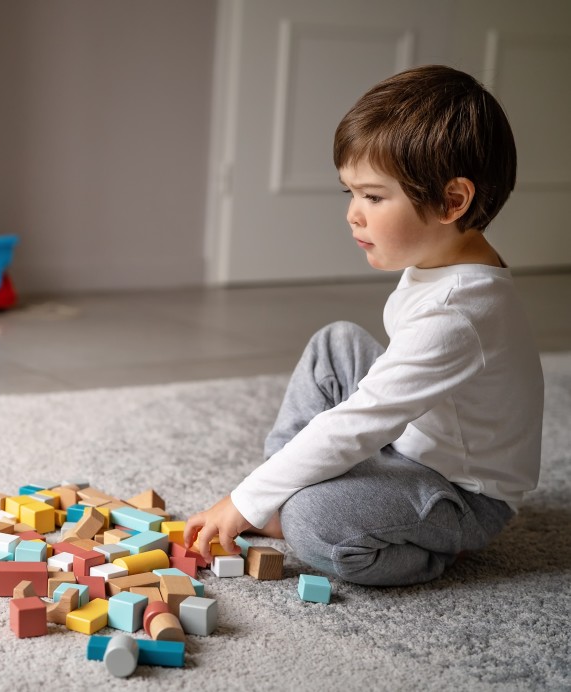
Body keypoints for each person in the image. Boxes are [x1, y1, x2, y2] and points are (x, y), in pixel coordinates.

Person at [183, 65, 544, 586]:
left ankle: (432, 550)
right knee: (336, 344)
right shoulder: (446, 262)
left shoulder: (460, 313)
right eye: (350, 193)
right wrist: (261, 492)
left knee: (314, 523)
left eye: (373, 197)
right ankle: (284, 481)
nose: (354, 214)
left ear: (452, 201)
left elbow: (361, 420)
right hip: (413, 438)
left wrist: (244, 501)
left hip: (461, 492)